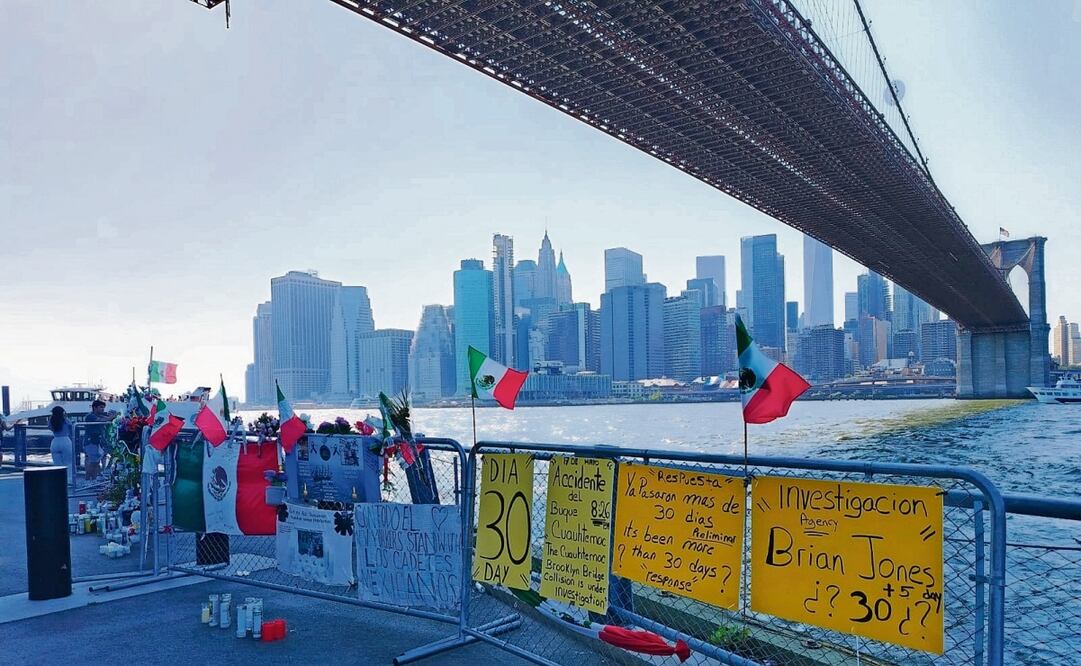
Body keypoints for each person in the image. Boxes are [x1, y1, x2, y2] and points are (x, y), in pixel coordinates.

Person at [82, 400, 116, 481]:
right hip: (90, 442)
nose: (103, 409)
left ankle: (93, 479)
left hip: (97, 442)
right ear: (94, 407)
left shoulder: (101, 415)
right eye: (101, 407)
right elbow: (101, 420)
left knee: (96, 462)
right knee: (93, 462)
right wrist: (111, 417)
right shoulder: (90, 416)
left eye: (103, 407)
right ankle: (87, 480)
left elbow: (106, 419)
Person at [49, 406, 74, 483]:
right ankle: (69, 480)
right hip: (65, 440)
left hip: (55, 441)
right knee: (68, 462)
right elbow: (71, 426)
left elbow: (50, 428)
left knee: (57, 463)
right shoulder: (65, 420)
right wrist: (65, 416)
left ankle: (59, 480)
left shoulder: (51, 421)